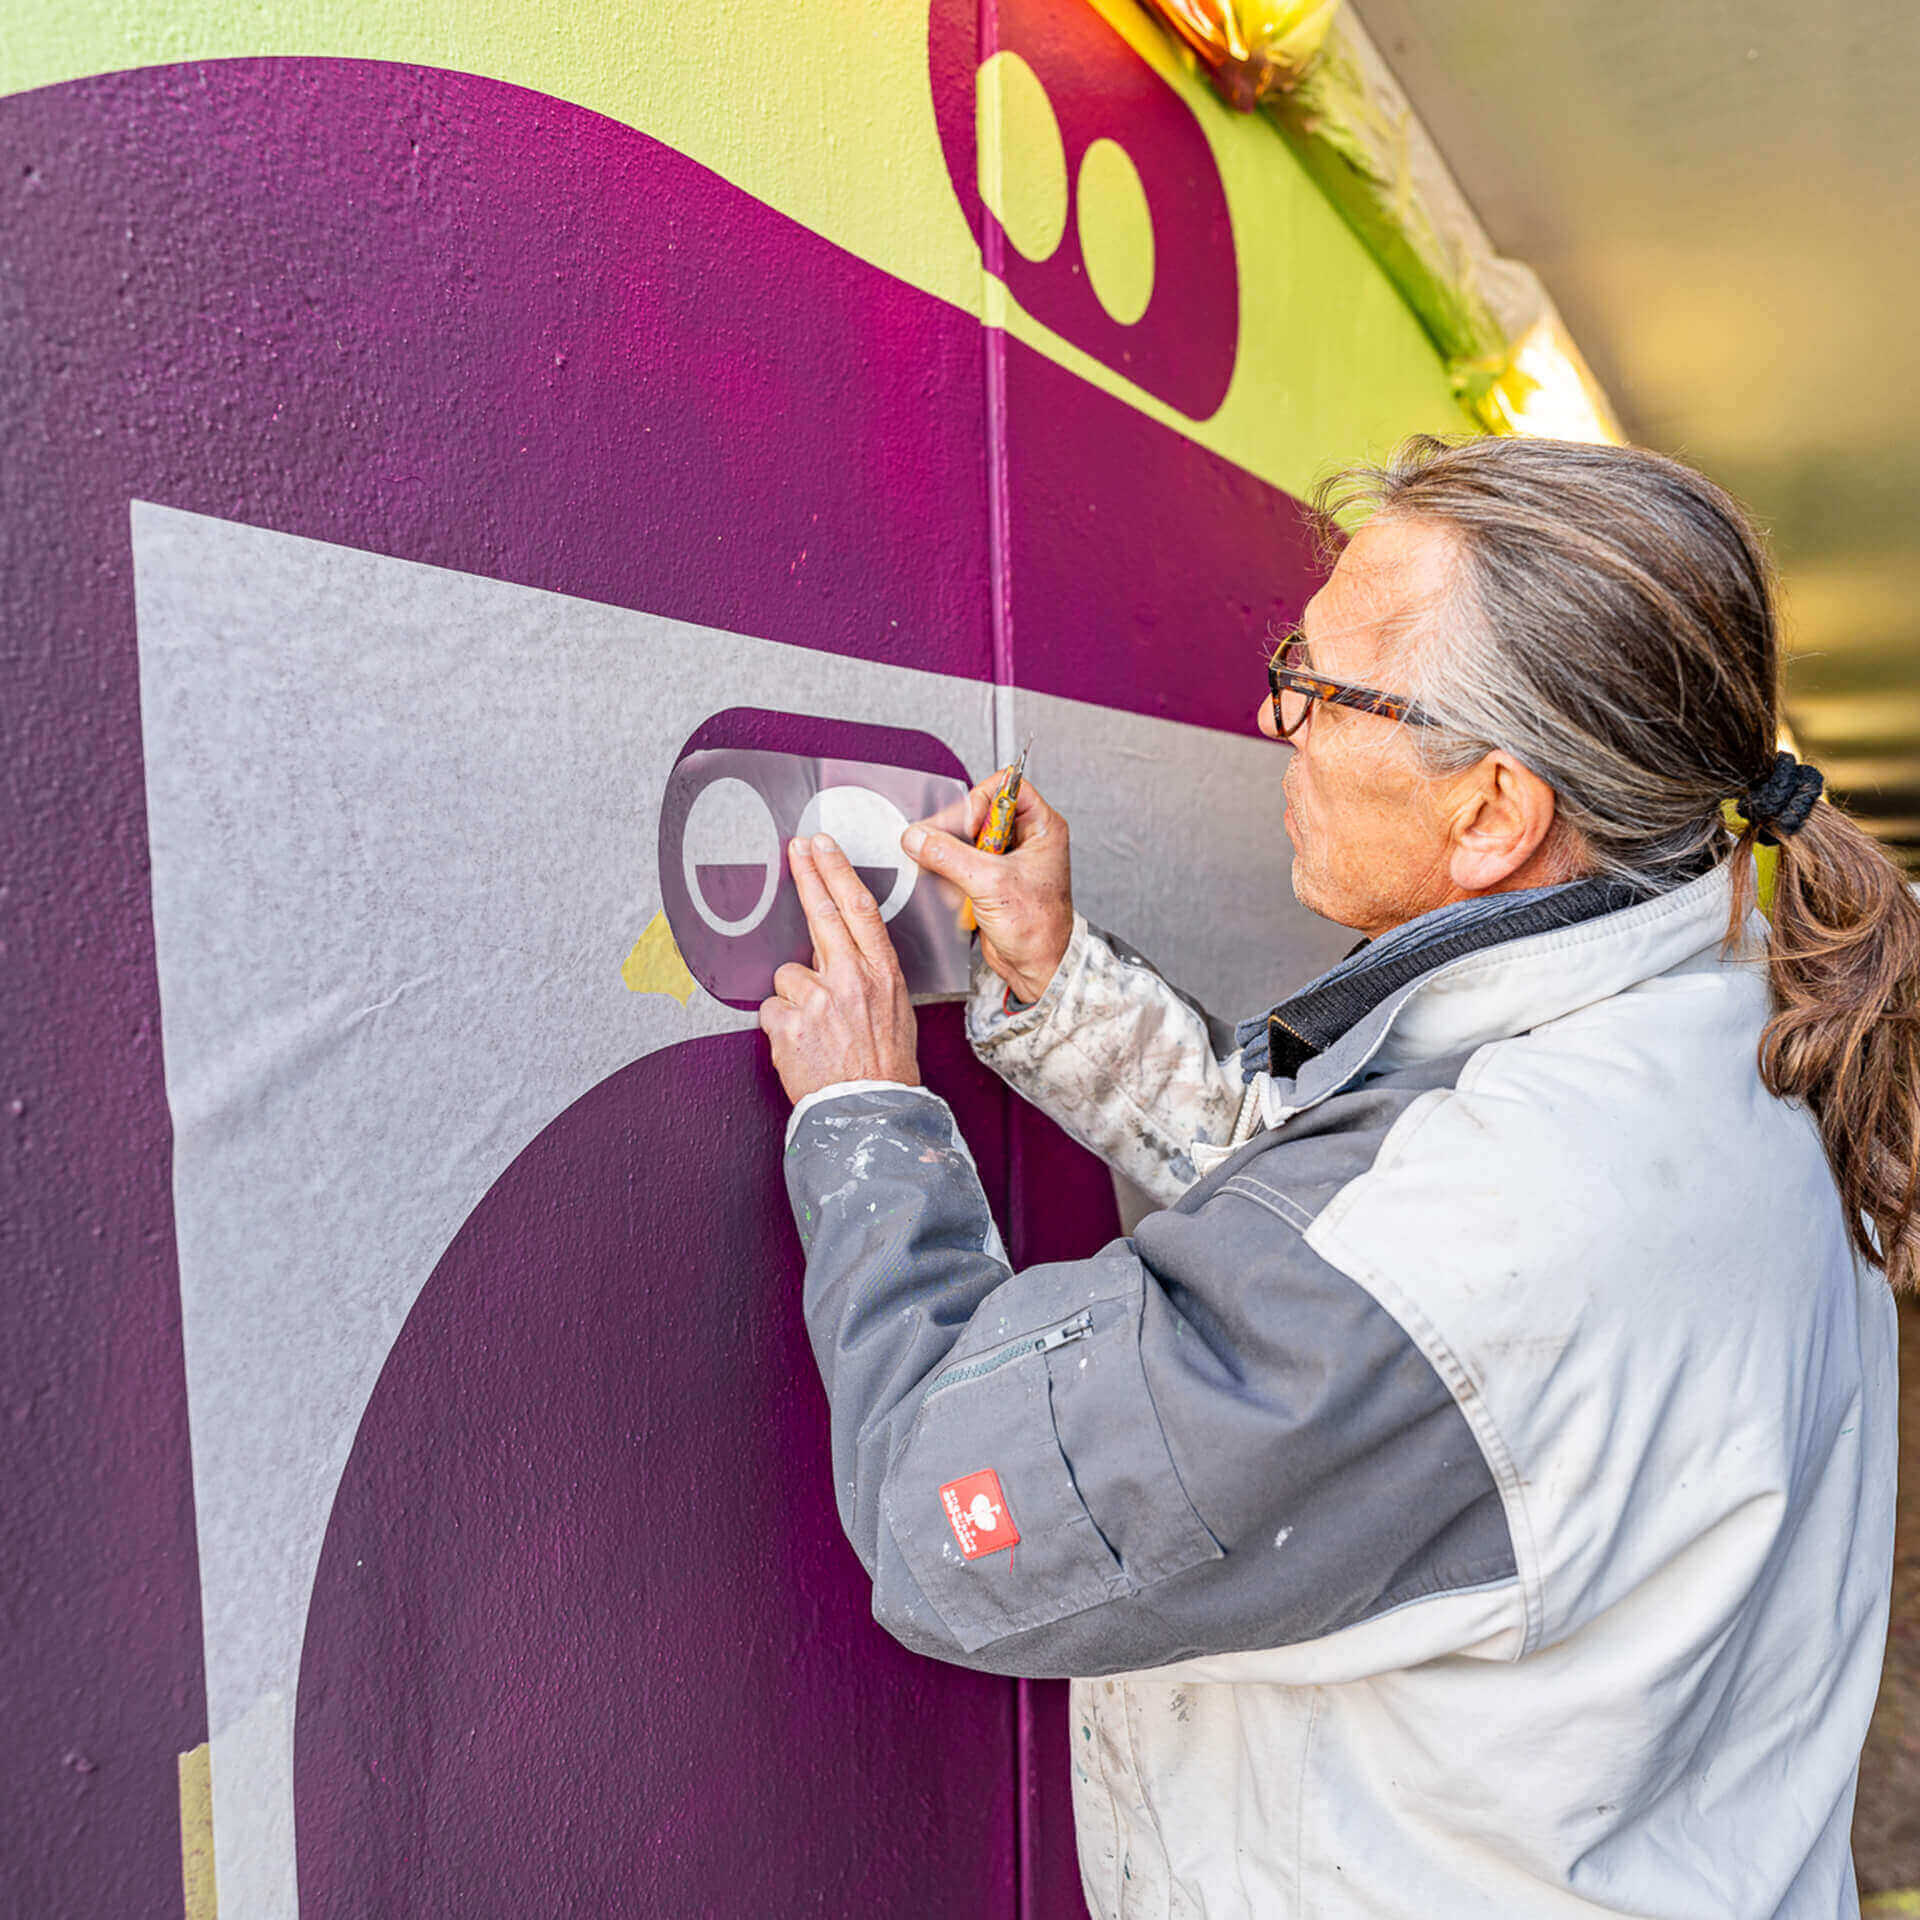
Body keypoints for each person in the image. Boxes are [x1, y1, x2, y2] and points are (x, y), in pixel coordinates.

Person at [757, 434, 1919, 1918]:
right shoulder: (1733, 1016)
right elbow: (1367, 1244)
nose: (1271, 716)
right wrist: (1062, 990)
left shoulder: (1498, 1228)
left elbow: (953, 1522)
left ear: (1492, 810)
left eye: (1317, 691)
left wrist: (869, 1122)